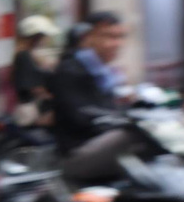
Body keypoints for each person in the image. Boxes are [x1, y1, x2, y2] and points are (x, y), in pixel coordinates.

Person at [49, 10, 128, 153]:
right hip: (79, 149)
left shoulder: (101, 70)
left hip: (101, 143)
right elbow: (83, 117)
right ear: (87, 37)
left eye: (120, 37)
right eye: (109, 36)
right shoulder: (71, 69)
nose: (117, 44)